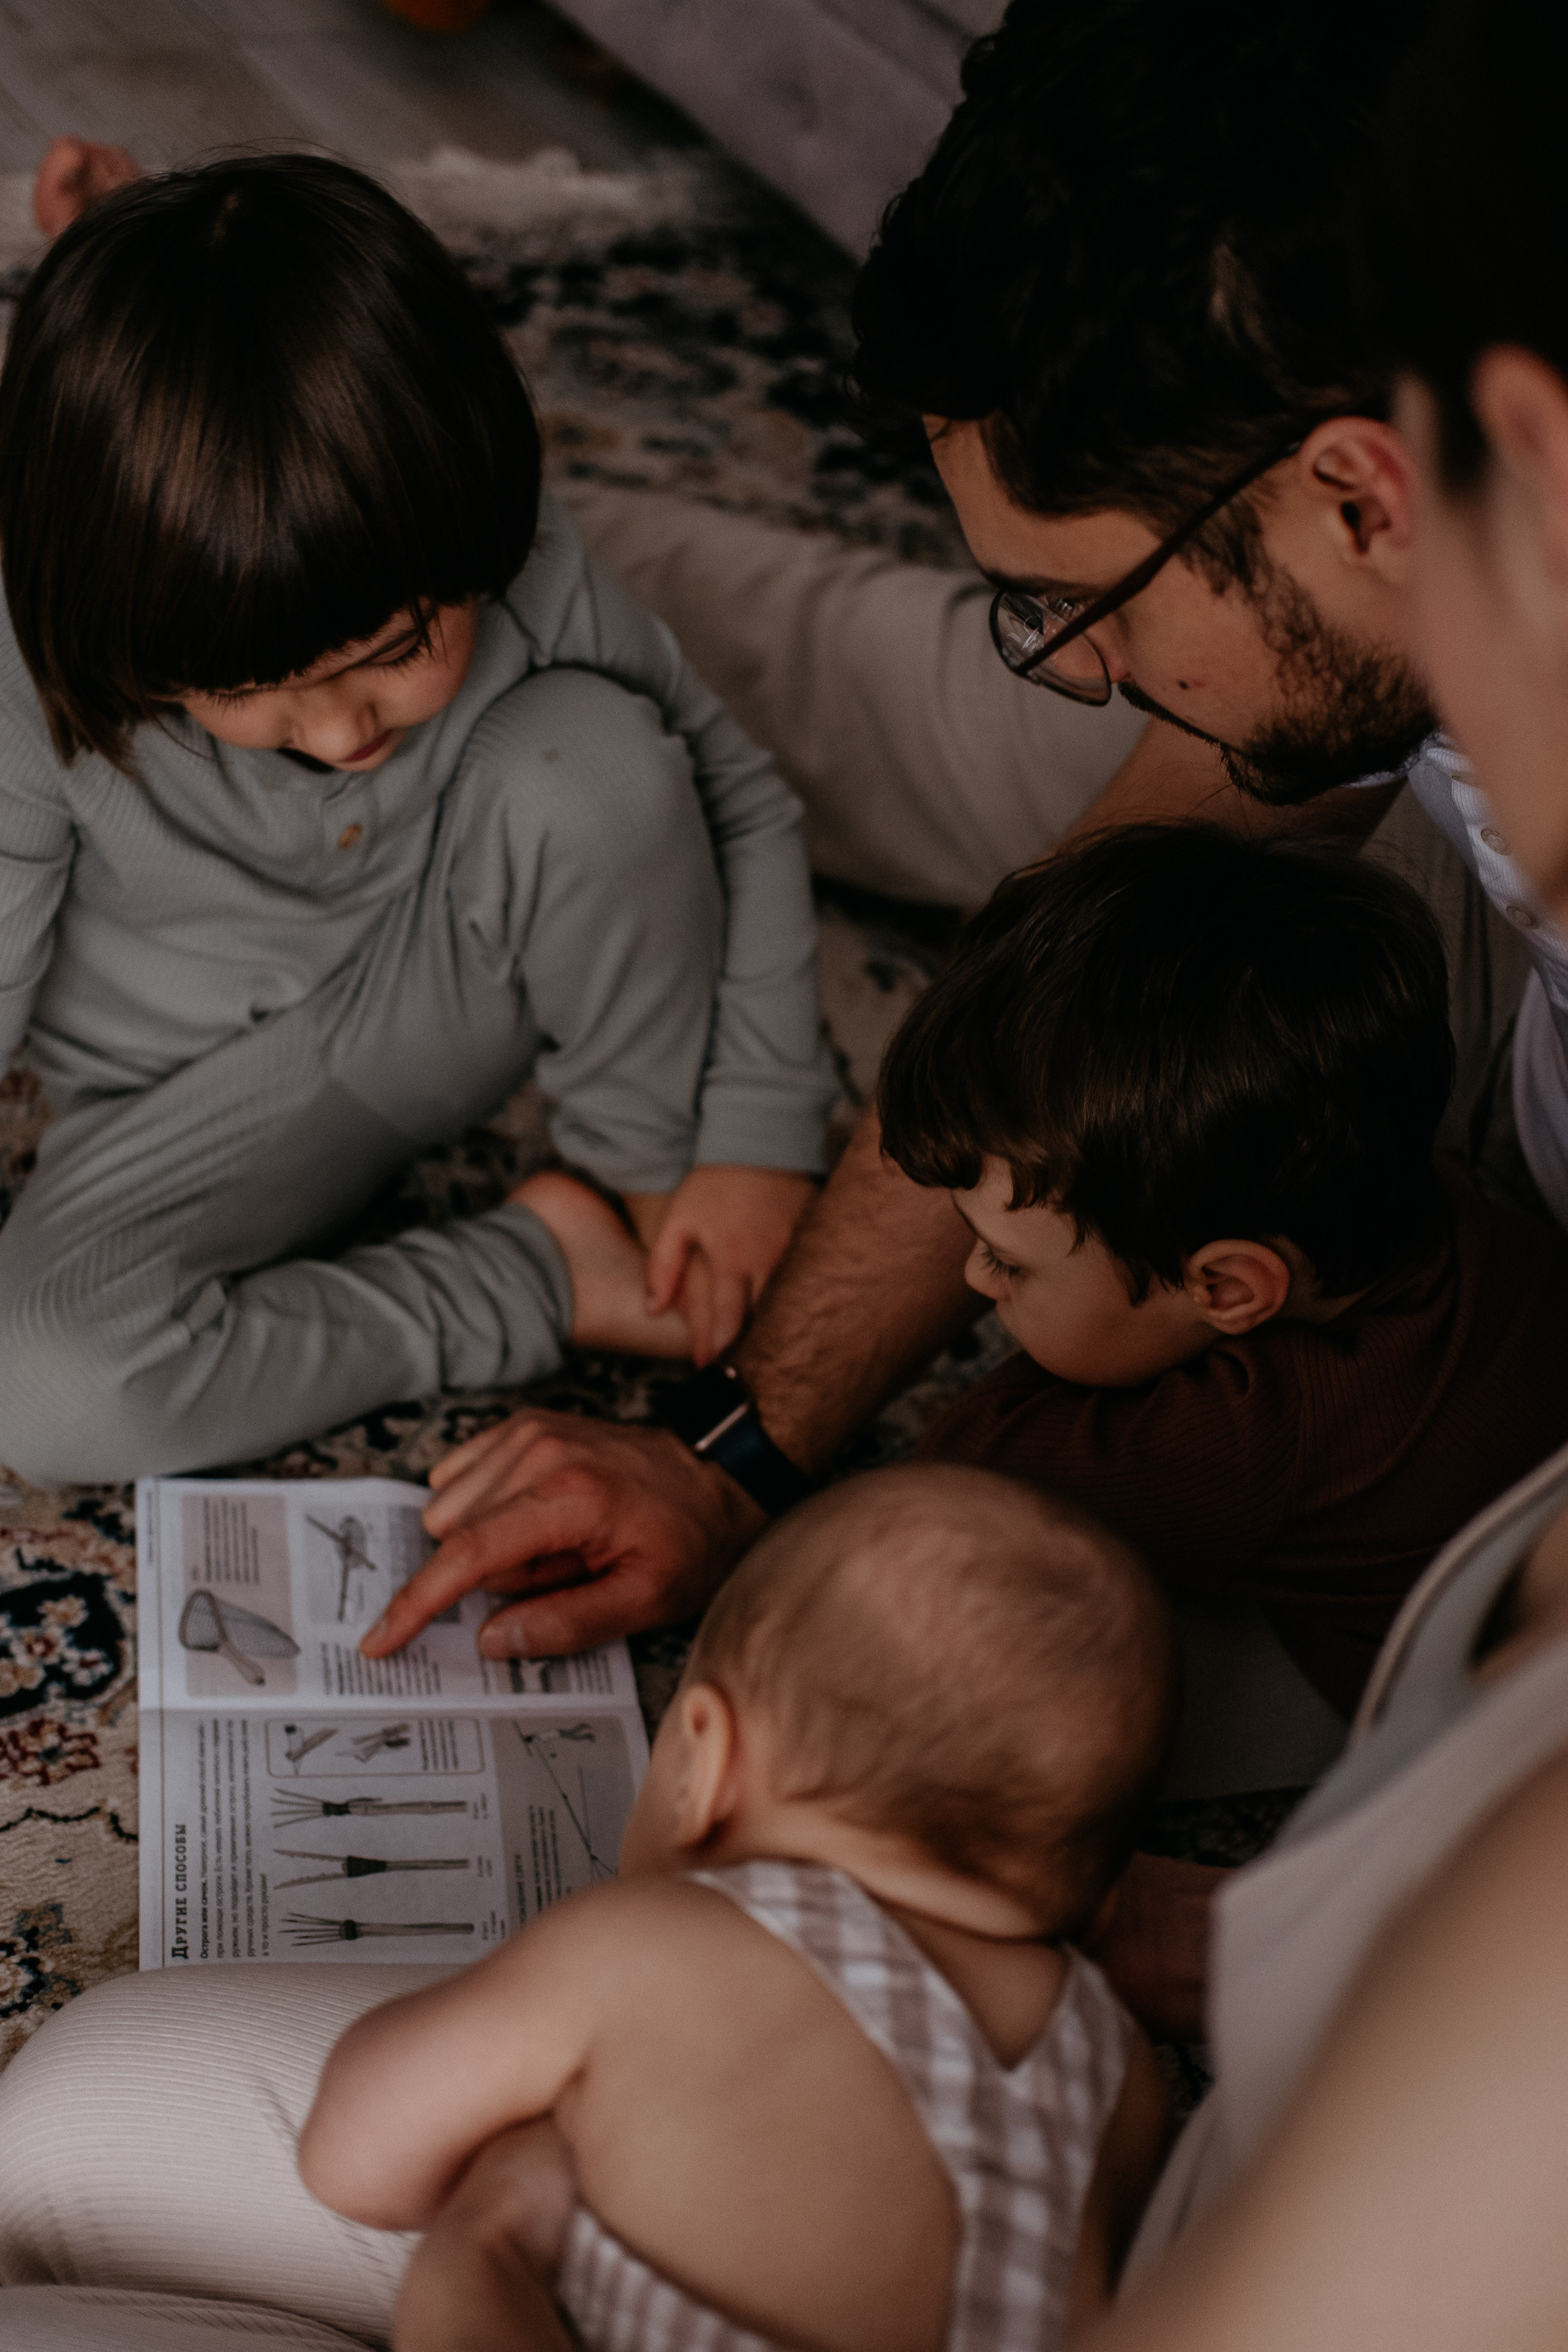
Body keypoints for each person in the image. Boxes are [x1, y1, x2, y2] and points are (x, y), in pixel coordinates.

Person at [361, 0, 1553, 1676]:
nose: (1081, 668)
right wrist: (739, 1448)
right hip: (1379, 697)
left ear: (1365, 498)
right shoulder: (1390, 517)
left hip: (1474, 1131)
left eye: (1084, 602)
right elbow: (1056, 971)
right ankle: (305, 503)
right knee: (769, 658)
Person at [0, 152, 832, 1485]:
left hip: (442, 994)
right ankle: (545, 1267)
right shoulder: (38, 655)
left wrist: (753, 1140)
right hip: (171, 1103)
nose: (345, 735)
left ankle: (637, 1173)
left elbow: (736, 801)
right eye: (255, 692)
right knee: (45, 1390)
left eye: (398, 650)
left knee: (600, 758)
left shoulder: (517, 561)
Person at [0, 1465, 1177, 2352]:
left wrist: (488, 2227)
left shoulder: (644, 1949)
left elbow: (355, 2161)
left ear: (705, 1758)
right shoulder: (1121, 2070)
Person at [871, 823, 1568, 1714]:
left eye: (1008, 1263)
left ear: (1230, 1289)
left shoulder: (1252, 1445)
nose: (975, 1281)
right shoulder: (1426, 1196)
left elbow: (956, 1471)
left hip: (1452, 1750)